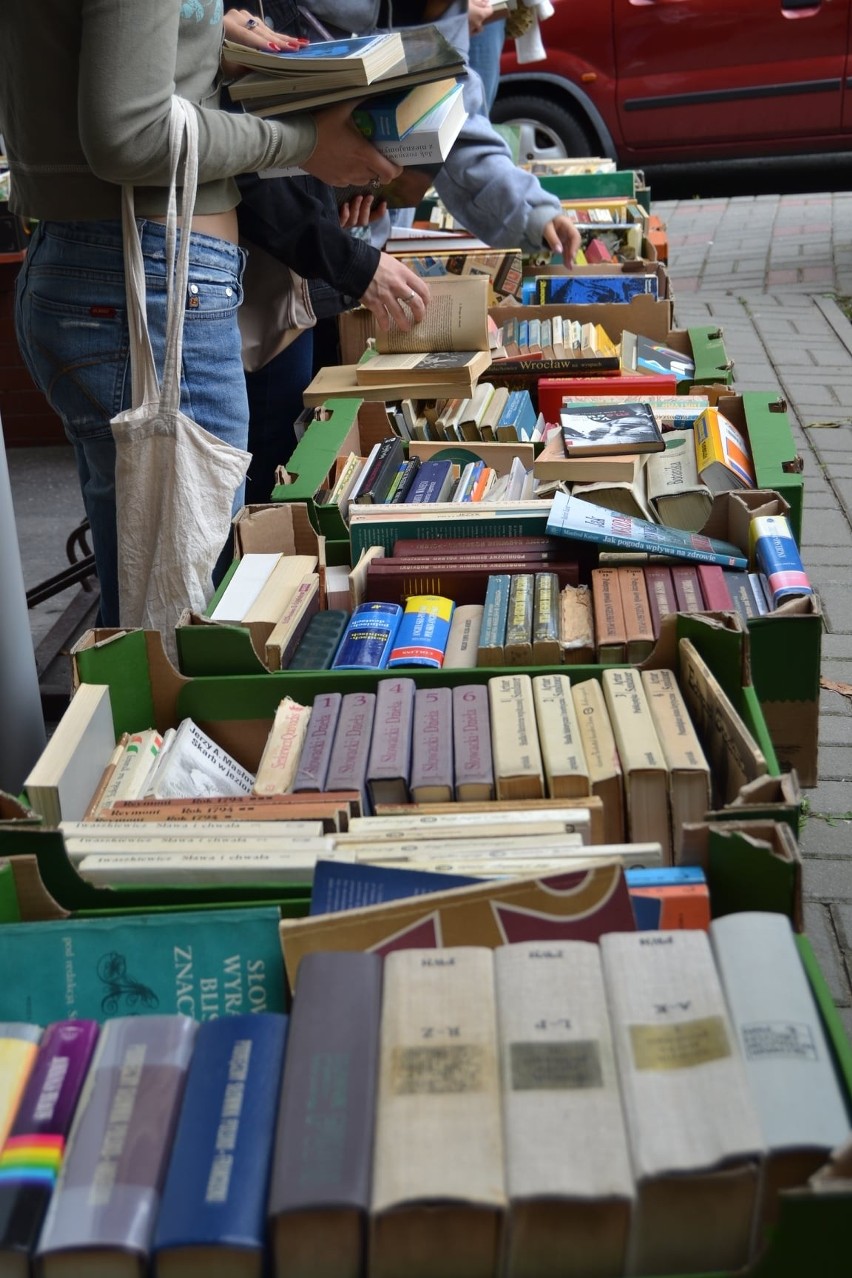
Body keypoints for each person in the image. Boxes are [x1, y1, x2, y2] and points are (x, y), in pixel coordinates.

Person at [0, 1, 412, 627]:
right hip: (153, 286)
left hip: (116, 271)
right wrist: (302, 145)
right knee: (188, 618)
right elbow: (131, 134)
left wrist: (200, 31)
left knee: (151, 599)